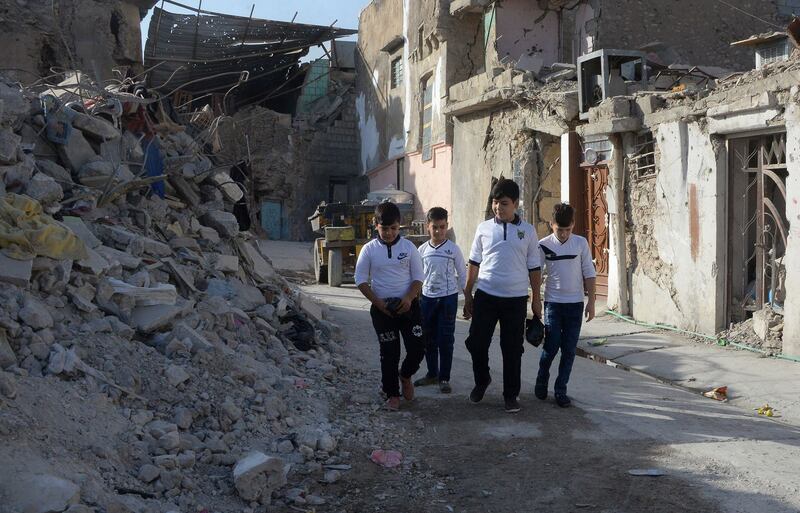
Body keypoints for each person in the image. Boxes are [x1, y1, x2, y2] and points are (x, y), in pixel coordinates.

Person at [463, 178, 542, 413]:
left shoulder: (527, 231)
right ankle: (482, 379)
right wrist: (468, 294)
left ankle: (510, 395)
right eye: (495, 203)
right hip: (486, 295)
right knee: (476, 343)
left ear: (516, 204)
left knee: (512, 348)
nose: (498, 207)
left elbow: (534, 268)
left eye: (504, 203)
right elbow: (474, 263)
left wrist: (536, 299)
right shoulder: (483, 228)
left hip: (516, 299)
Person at [355, 202, 426, 410]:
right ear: (375, 225)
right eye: (384, 228)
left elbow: (418, 278)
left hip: (409, 307)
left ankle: (405, 376)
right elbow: (361, 280)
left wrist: (408, 298)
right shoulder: (369, 250)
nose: (389, 233)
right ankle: (392, 394)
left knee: (418, 349)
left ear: (399, 226)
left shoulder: (409, 248)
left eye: (393, 228)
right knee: (389, 353)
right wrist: (378, 303)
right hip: (382, 311)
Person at [534, 202, 597, 407]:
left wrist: (592, 303)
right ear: (552, 224)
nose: (563, 234)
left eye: (567, 229)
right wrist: (534, 298)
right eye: (559, 229)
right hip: (553, 304)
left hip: (575, 305)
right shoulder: (543, 244)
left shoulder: (580, 244)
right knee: (551, 347)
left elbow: (589, 272)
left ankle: (561, 390)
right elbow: (535, 272)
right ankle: (541, 380)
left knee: (569, 350)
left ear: (573, 225)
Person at [414, 207, 468, 394]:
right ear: (427, 227)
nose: (438, 231)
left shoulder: (453, 249)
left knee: (446, 340)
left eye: (442, 227)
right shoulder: (421, 250)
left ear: (447, 226)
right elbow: (417, 277)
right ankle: (432, 374)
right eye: (434, 227)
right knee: (428, 339)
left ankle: (444, 378)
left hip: (448, 300)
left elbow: (463, 274)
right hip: (427, 300)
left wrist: (468, 299)